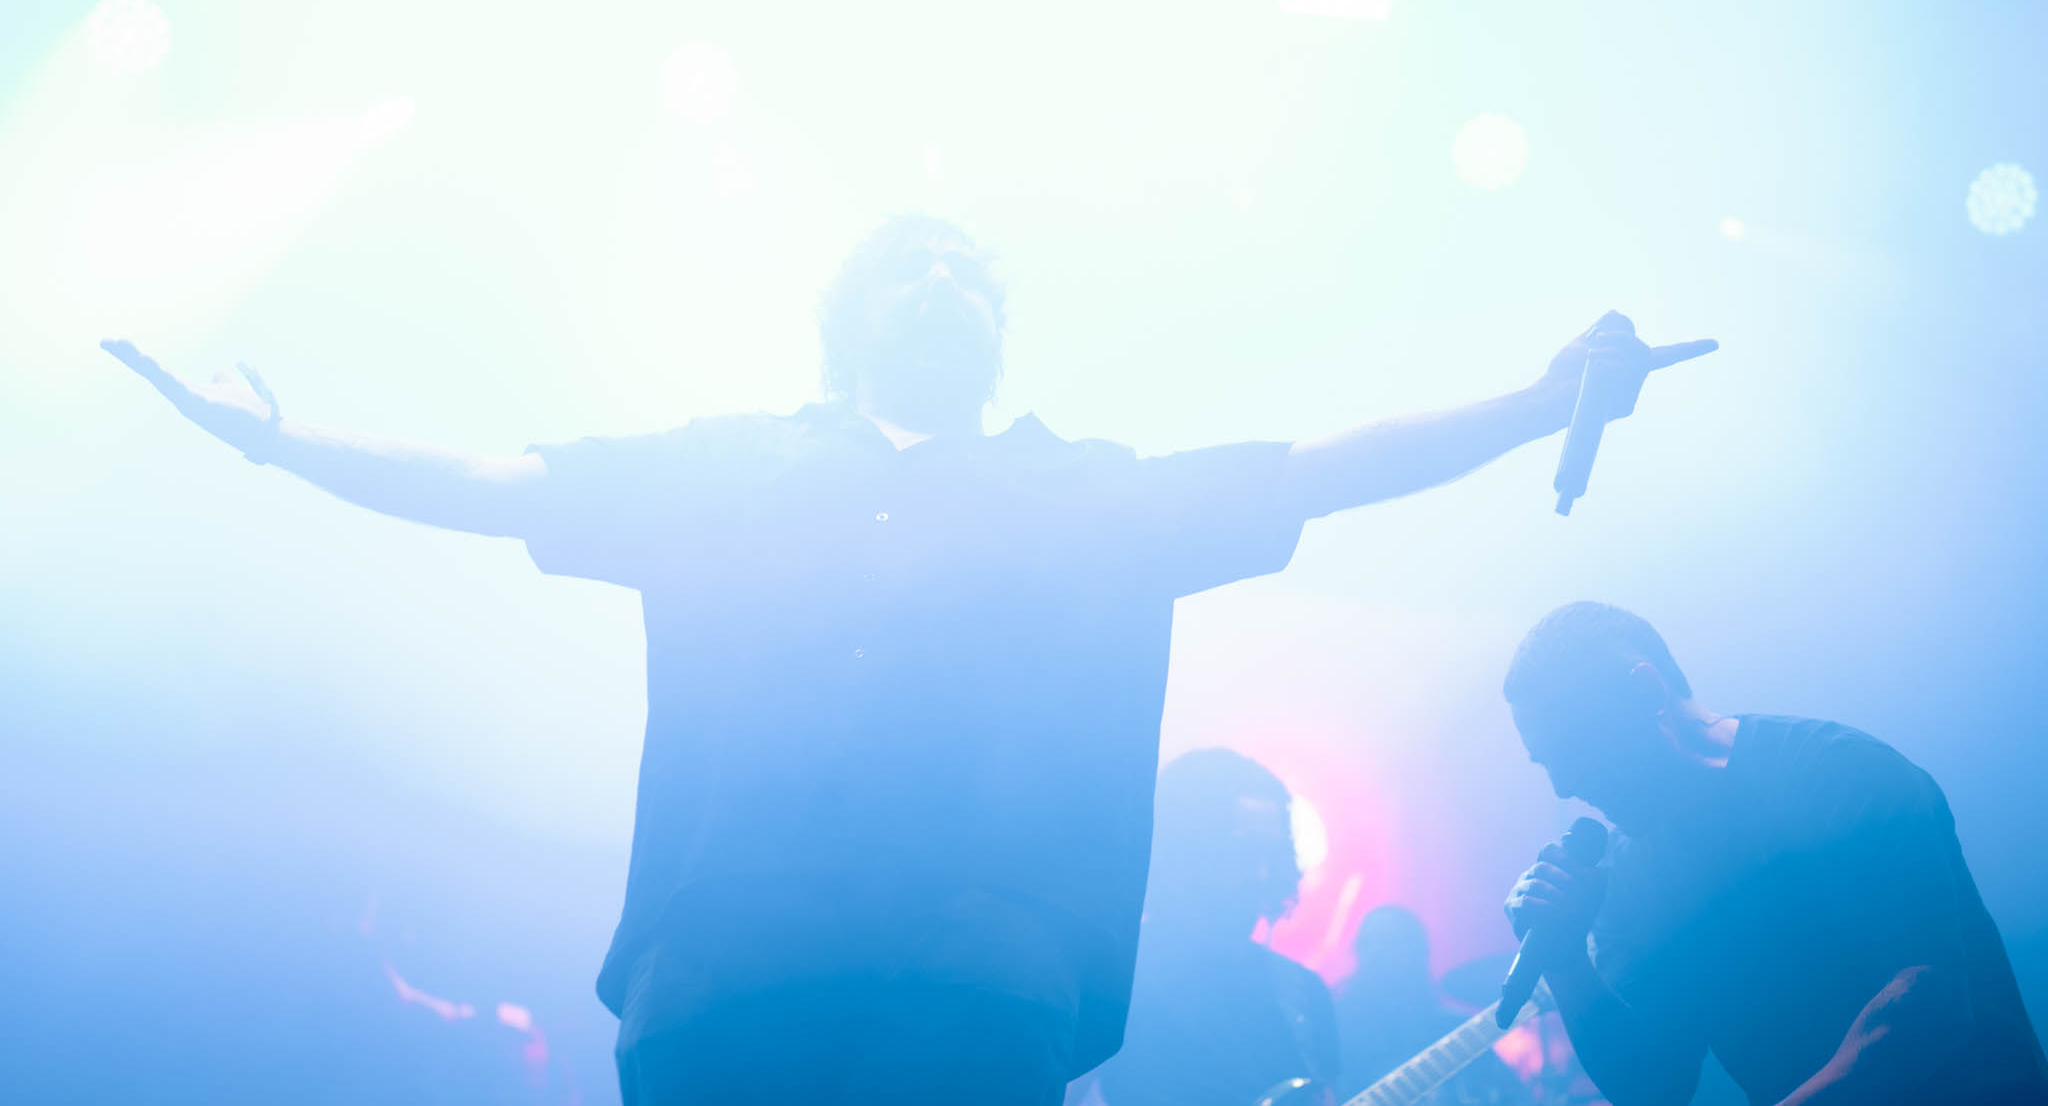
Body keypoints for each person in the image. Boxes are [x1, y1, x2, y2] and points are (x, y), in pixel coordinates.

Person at [105, 215, 1711, 1105]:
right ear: (844, 325)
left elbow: (1316, 467)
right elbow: (497, 484)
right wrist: (284, 445)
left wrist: (1532, 401)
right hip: (724, 976)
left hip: (974, 981)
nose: (940, 285)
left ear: (998, 343)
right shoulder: (730, 463)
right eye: (906, 269)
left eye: (965, 276)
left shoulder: (1077, 487)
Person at [1500, 602, 2048, 1106]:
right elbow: (1656, 1086)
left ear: (1646, 692)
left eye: (1576, 748)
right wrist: (1567, 962)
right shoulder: (1625, 877)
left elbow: (1926, 1005)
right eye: (1548, 762)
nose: (1564, 784)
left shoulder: (1835, 772)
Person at [1092, 749, 1339, 1106]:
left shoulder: (1304, 993)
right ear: (1184, 853)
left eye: (1271, 855)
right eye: (1242, 853)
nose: (1261, 875)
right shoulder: (1114, 973)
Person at [1334, 905, 1532, 1105]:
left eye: (1390, 942)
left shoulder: (1451, 1031)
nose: (1376, 950)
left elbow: (1514, 1096)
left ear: (1415, 954)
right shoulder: (1340, 1026)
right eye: (1369, 942)